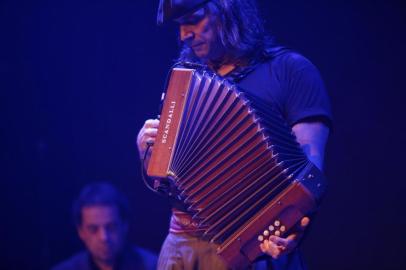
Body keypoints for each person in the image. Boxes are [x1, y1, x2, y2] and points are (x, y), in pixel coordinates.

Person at [137, 0, 332, 269]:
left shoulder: (290, 71)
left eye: (193, 20)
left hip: (253, 246)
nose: (184, 35)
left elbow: (309, 174)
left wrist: (292, 225)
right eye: (179, 27)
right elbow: (171, 183)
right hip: (182, 246)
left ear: (228, 10)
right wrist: (149, 154)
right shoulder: (187, 78)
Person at [51, 182, 157, 270]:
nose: (104, 237)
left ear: (125, 226)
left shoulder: (153, 266)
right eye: (93, 229)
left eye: (111, 227)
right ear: (80, 232)